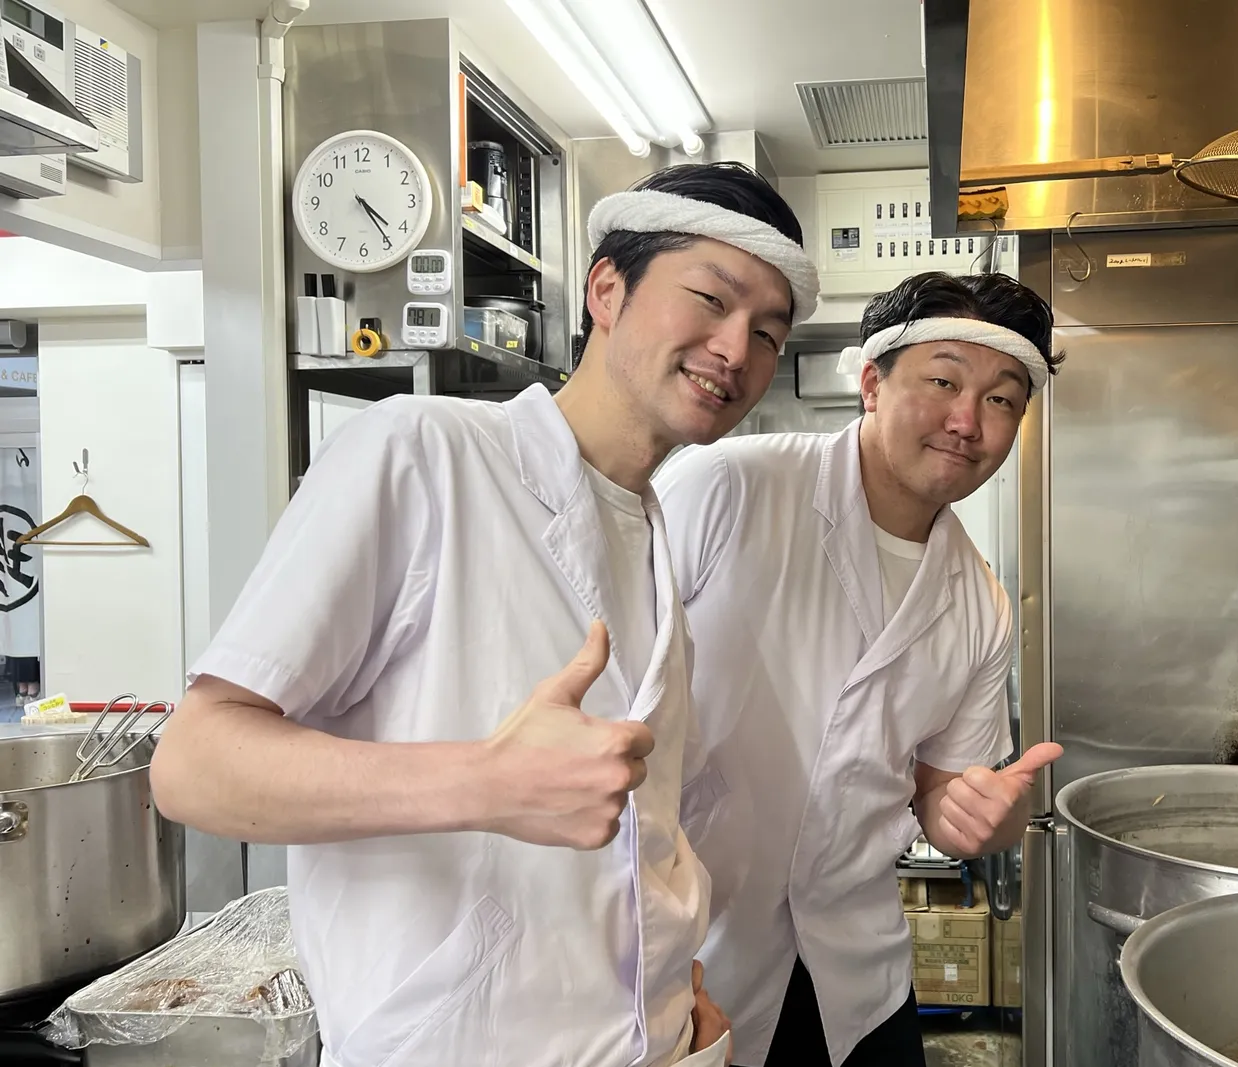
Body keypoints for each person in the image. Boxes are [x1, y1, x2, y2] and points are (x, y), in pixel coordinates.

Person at [149, 161, 818, 1067]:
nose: (738, 350)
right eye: (711, 298)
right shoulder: (423, 455)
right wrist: (486, 780)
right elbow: (194, 766)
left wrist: (676, 986)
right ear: (608, 289)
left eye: (768, 333)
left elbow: (631, 831)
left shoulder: (655, 529)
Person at [655, 270, 1066, 1067]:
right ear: (873, 382)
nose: (966, 421)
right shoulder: (728, 489)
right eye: (943, 380)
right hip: (699, 963)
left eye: (1002, 399)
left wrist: (984, 817)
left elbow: (944, 787)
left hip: (858, 977)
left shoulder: (980, 599)